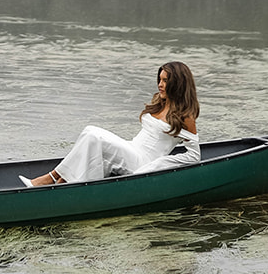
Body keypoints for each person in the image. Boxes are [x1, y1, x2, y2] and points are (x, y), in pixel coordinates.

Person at [21, 60, 200, 187]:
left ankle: (50, 178)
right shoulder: (160, 103)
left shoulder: (185, 116)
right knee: (90, 134)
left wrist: (161, 163)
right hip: (132, 149)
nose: (160, 85)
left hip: (142, 163)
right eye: (159, 80)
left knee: (93, 135)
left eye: (165, 81)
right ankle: (61, 182)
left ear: (177, 84)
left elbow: (194, 156)